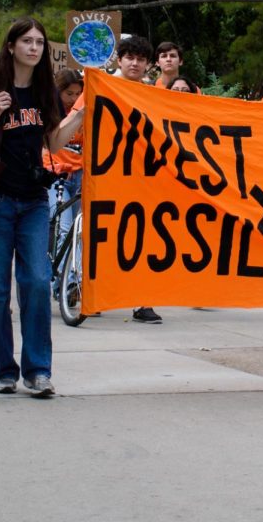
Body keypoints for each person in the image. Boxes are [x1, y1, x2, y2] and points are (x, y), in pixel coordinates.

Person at [0, 18, 83, 397]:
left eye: (39, 42)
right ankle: (3, 369)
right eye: (27, 41)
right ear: (11, 46)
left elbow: (55, 143)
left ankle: (38, 370)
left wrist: (82, 114)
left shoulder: (44, 90)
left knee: (38, 282)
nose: (34, 48)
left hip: (33, 201)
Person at [114, 35, 164, 322]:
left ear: (148, 64)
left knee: (142, 239)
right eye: (130, 57)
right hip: (105, 172)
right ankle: (85, 290)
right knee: (100, 234)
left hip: (142, 176)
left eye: (141, 59)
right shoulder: (100, 85)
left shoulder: (152, 93)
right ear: (119, 59)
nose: (135, 63)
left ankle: (142, 301)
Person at [45, 69, 84, 254]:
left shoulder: (84, 112)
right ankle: (60, 280)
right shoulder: (49, 111)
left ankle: (70, 279)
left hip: (81, 176)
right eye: (69, 93)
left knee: (78, 230)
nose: (74, 98)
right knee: (64, 227)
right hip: (56, 176)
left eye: (78, 94)